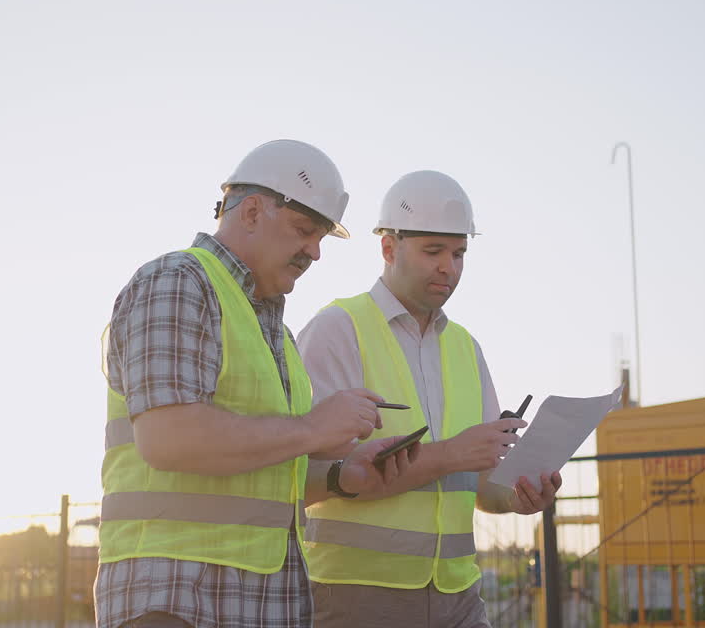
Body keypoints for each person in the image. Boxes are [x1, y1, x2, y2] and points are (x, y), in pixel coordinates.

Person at [96, 139, 417, 628]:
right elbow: (169, 440)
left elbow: (260, 478)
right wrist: (314, 429)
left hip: (259, 599)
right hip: (176, 598)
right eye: (304, 230)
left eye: (322, 238)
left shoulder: (276, 334)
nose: (314, 251)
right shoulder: (178, 281)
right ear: (250, 212)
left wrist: (339, 476)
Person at [298, 170, 562, 628]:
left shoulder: (464, 347)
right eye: (434, 251)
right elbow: (311, 475)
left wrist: (519, 497)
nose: (449, 267)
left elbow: (482, 488)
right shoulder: (338, 329)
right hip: (355, 594)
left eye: (459, 253)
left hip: (458, 594)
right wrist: (452, 453)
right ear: (388, 248)